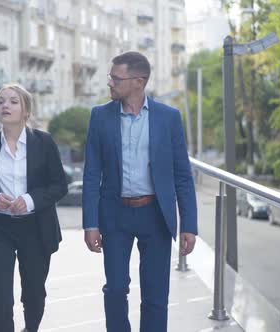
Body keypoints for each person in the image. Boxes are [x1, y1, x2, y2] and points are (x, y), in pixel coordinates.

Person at [82, 51, 198, 332]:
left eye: (116, 78)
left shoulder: (168, 118)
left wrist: (189, 225)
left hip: (155, 215)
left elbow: (182, 175)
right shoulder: (100, 116)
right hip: (115, 215)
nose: (109, 83)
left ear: (138, 81)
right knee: (116, 288)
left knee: (156, 294)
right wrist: (91, 224)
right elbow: (91, 174)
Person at [0, 83, 68, 332]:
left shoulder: (44, 143)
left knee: (34, 294)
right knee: (1, 297)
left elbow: (59, 185)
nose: (6, 105)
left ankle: (30, 328)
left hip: (36, 227)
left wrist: (30, 200)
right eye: (1, 101)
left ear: (26, 110)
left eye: (13, 101)